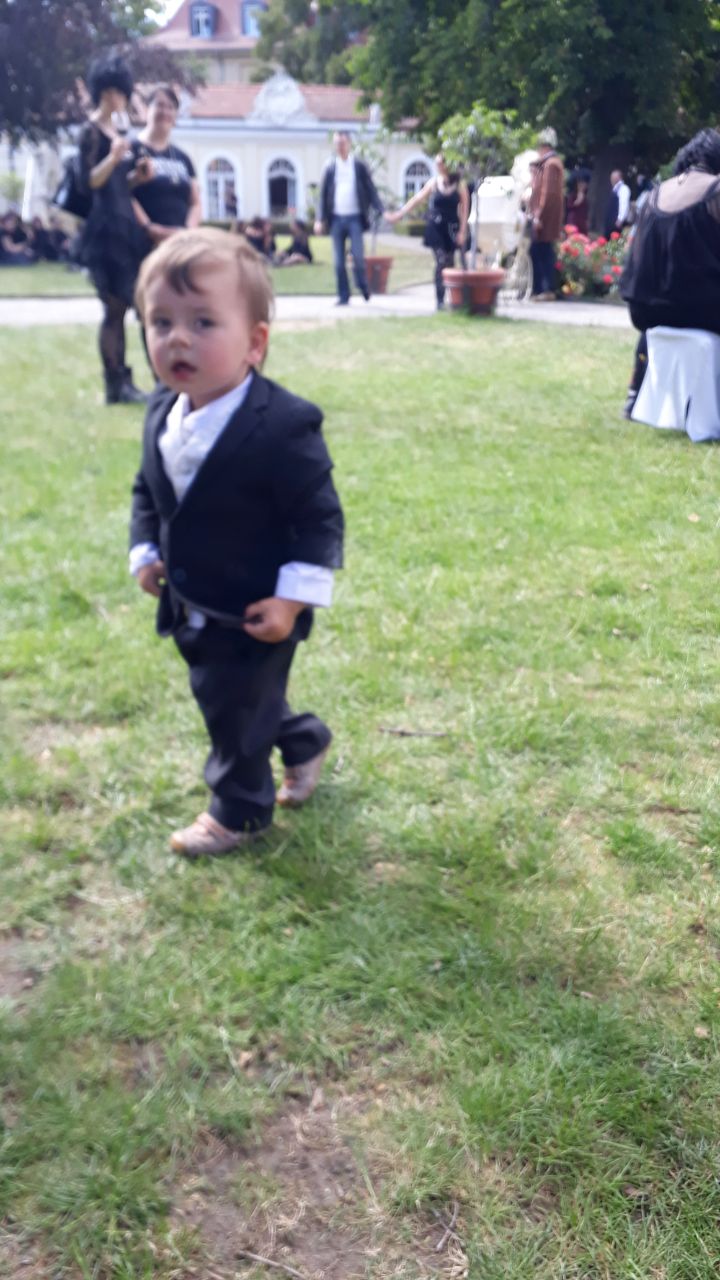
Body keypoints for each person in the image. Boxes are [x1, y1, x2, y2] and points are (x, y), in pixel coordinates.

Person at [129, 228, 344, 858]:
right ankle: (303, 740)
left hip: (257, 608)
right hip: (191, 602)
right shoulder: (162, 410)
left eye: (202, 322)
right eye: (161, 322)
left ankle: (239, 812)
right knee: (239, 698)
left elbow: (318, 521)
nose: (177, 339)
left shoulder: (283, 426)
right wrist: (146, 549)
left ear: (255, 343)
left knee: (231, 709)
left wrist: (292, 601)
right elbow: (149, 489)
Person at [620, 128, 720, 418]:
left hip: (645, 311)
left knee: (662, 312)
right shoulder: (715, 191)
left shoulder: (654, 194)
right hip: (701, 310)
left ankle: (635, 393)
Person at [76, 53, 149, 405]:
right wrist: (113, 158)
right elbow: (88, 182)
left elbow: (118, 184)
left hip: (125, 227)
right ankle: (115, 383)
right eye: (117, 92)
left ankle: (123, 381)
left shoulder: (117, 133)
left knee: (124, 306)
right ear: (104, 92)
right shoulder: (90, 132)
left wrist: (136, 176)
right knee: (114, 309)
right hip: (104, 231)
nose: (121, 98)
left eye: (122, 92)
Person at [386, 153, 469, 310]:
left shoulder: (460, 185)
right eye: (436, 163)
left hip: (451, 228)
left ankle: (455, 299)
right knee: (441, 261)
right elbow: (417, 199)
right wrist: (399, 214)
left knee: (450, 262)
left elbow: (464, 210)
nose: (438, 166)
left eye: (440, 163)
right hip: (435, 227)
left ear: (447, 165)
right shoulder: (434, 183)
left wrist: (462, 231)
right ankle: (439, 300)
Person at [314, 131, 383, 305]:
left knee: (358, 257)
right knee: (338, 262)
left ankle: (362, 285)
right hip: (336, 219)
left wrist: (382, 210)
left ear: (349, 144)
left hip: (355, 218)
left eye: (343, 143)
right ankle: (344, 296)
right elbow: (322, 195)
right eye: (337, 143)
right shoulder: (330, 167)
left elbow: (371, 189)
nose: (340, 146)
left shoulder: (358, 166)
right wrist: (319, 219)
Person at [129, 85, 201, 246]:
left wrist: (188, 230)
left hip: (179, 244)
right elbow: (125, 194)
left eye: (171, 107)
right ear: (147, 109)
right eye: (159, 105)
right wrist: (149, 228)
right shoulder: (131, 149)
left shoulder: (183, 158)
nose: (165, 111)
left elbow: (195, 203)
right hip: (143, 241)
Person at [528, 127, 564, 300]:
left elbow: (548, 193)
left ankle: (545, 288)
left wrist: (538, 216)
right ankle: (542, 289)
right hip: (545, 217)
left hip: (545, 218)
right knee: (542, 251)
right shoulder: (550, 163)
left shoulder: (551, 165)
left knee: (541, 252)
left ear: (545, 147)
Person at [605, 168, 631, 237]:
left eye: (613, 177)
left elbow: (624, 204)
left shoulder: (624, 189)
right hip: (611, 219)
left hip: (616, 221)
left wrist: (620, 219)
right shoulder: (615, 188)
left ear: (619, 178)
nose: (611, 179)